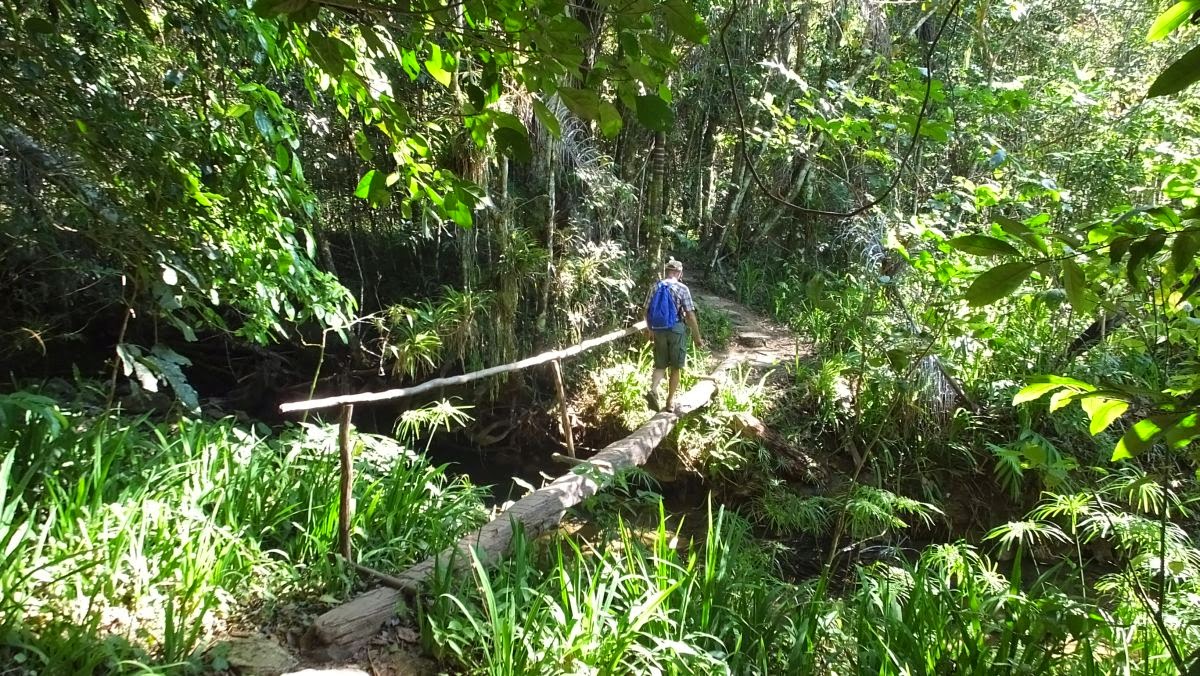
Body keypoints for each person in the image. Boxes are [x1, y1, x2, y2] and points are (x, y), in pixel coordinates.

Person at [643, 258, 704, 413]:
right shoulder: (682, 288)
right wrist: (697, 337)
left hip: (658, 330)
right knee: (676, 367)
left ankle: (653, 389)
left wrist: (650, 330)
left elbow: (645, 310)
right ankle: (669, 402)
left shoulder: (655, 286)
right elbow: (689, 315)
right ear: (679, 273)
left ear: (667, 271)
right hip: (676, 329)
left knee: (660, 364)